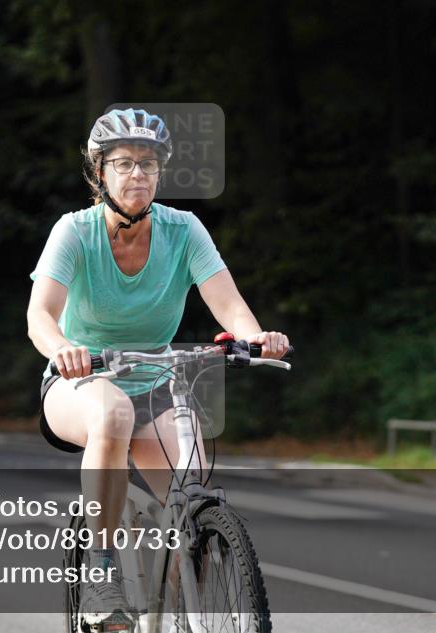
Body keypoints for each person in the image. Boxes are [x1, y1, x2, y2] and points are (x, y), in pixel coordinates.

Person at [26, 108, 290, 628]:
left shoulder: (183, 230)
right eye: (124, 163)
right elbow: (40, 316)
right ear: (99, 172)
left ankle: (168, 613)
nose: (138, 175)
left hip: (154, 385)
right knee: (113, 414)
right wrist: (62, 348)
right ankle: (101, 570)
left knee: (188, 498)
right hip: (80, 382)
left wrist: (255, 338)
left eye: (148, 164)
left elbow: (230, 306)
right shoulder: (74, 232)